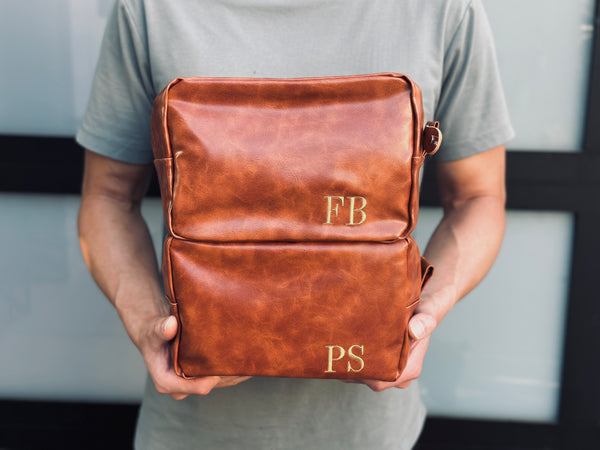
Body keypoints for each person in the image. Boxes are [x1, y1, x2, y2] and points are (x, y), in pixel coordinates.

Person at [77, 0, 513, 448]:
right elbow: (108, 196)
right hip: (189, 429)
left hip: (370, 433)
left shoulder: (443, 8)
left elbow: (478, 196)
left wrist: (424, 311)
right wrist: (147, 321)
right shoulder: (150, 9)